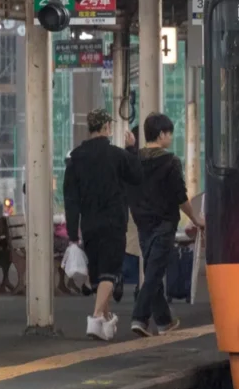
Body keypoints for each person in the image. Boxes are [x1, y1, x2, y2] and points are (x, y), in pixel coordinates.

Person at [63, 109, 142, 340]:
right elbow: (137, 176)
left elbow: (70, 198)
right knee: (110, 271)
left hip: (89, 224)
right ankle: (96, 317)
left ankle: (106, 322)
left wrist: (72, 232)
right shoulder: (117, 155)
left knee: (99, 274)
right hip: (113, 221)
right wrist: (131, 149)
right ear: (107, 127)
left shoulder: (76, 157)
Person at [128, 113, 205, 337]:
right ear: (162, 134)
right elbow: (180, 196)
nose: (170, 138)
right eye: (169, 133)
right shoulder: (170, 162)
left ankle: (163, 321)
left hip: (142, 222)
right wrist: (195, 218)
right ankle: (139, 318)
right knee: (153, 273)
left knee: (152, 270)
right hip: (163, 223)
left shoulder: (135, 161)